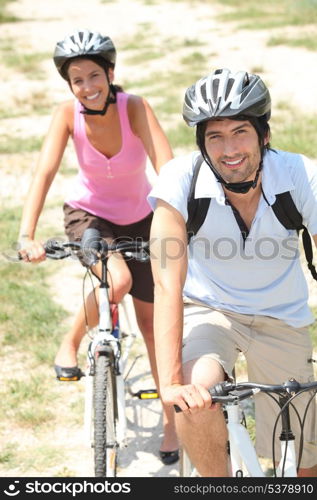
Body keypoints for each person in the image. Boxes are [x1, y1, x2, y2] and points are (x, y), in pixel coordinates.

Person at [18, 28, 178, 464]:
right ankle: (70, 342)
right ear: (69, 86)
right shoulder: (66, 114)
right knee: (117, 278)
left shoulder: (136, 108)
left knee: (153, 325)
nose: (87, 87)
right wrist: (26, 235)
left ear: (110, 73)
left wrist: (178, 220)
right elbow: (44, 173)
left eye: (94, 75)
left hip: (142, 219)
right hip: (89, 217)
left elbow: (165, 167)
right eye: (77, 80)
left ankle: (171, 424)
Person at [148, 67, 317, 476]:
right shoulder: (181, 181)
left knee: (305, 462)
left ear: (264, 135)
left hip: (283, 317)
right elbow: (166, 285)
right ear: (202, 144)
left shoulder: (301, 177)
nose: (229, 150)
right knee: (196, 397)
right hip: (210, 309)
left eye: (240, 132)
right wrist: (172, 384)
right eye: (215, 136)